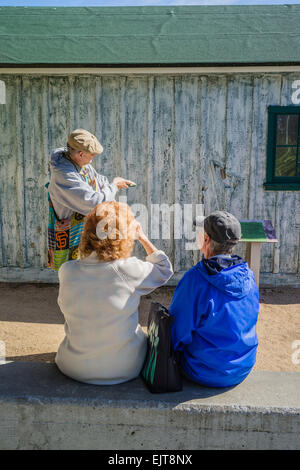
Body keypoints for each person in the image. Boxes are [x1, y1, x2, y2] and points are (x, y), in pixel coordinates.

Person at [55, 201, 173, 385]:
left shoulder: (67, 271)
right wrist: (142, 237)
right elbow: (164, 269)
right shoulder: (129, 270)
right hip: (125, 368)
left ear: (87, 232)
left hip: (72, 366)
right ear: (125, 236)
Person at [169, 210, 259, 388]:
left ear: (207, 239)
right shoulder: (248, 275)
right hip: (242, 367)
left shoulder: (195, 279)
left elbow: (177, 332)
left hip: (205, 371)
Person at [48, 128, 133, 270]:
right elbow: (93, 202)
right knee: (71, 273)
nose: (93, 158)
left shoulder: (80, 163)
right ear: (81, 154)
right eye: (92, 155)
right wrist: (114, 187)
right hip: (69, 231)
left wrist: (111, 185)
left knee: (87, 272)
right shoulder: (64, 174)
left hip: (83, 228)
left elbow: (98, 179)